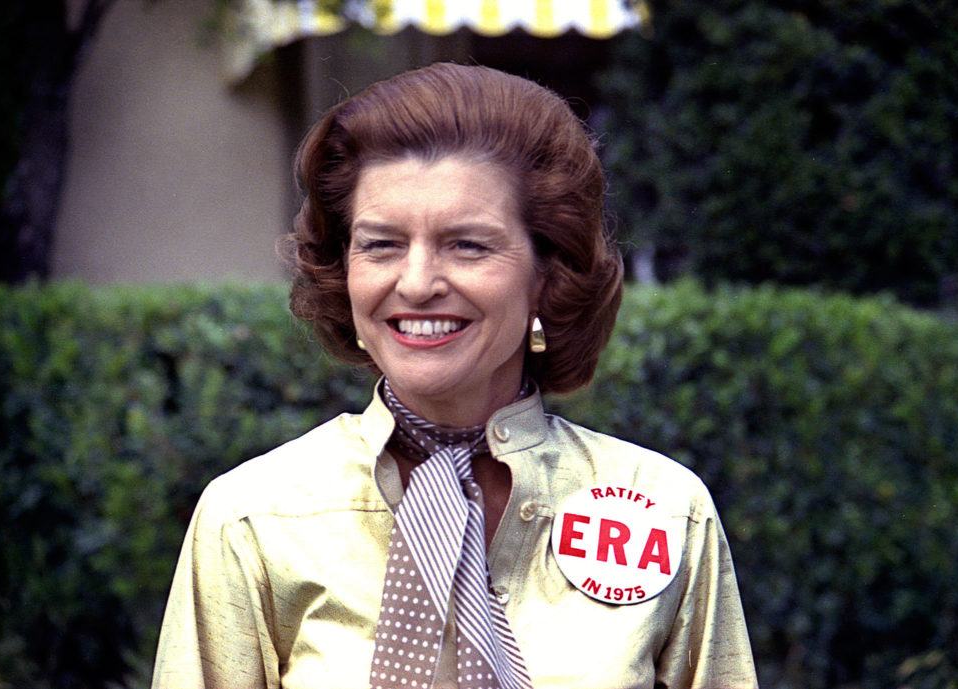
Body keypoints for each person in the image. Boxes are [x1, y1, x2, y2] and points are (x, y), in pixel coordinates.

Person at [151, 63, 757, 689]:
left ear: (547, 273)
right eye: (381, 244)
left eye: (468, 245)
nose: (416, 283)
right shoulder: (254, 517)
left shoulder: (664, 509)